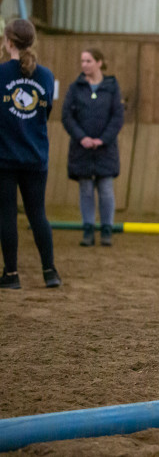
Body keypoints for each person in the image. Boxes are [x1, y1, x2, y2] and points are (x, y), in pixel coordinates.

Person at [0, 19, 61, 289]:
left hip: (5, 157)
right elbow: (45, 114)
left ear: (8, 42)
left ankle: (11, 275)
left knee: (7, 215)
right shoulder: (46, 76)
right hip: (36, 156)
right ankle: (50, 272)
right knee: (38, 214)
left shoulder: (1, 73)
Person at [61, 48, 125, 247]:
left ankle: (107, 229)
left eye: (88, 61)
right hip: (82, 149)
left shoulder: (112, 87)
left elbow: (117, 117)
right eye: (82, 61)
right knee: (86, 189)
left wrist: (102, 139)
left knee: (106, 189)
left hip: (105, 149)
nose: (84, 65)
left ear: (99, 62)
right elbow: (67, 116)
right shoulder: (75, 88)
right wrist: (82, 137)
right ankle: (88, 229)